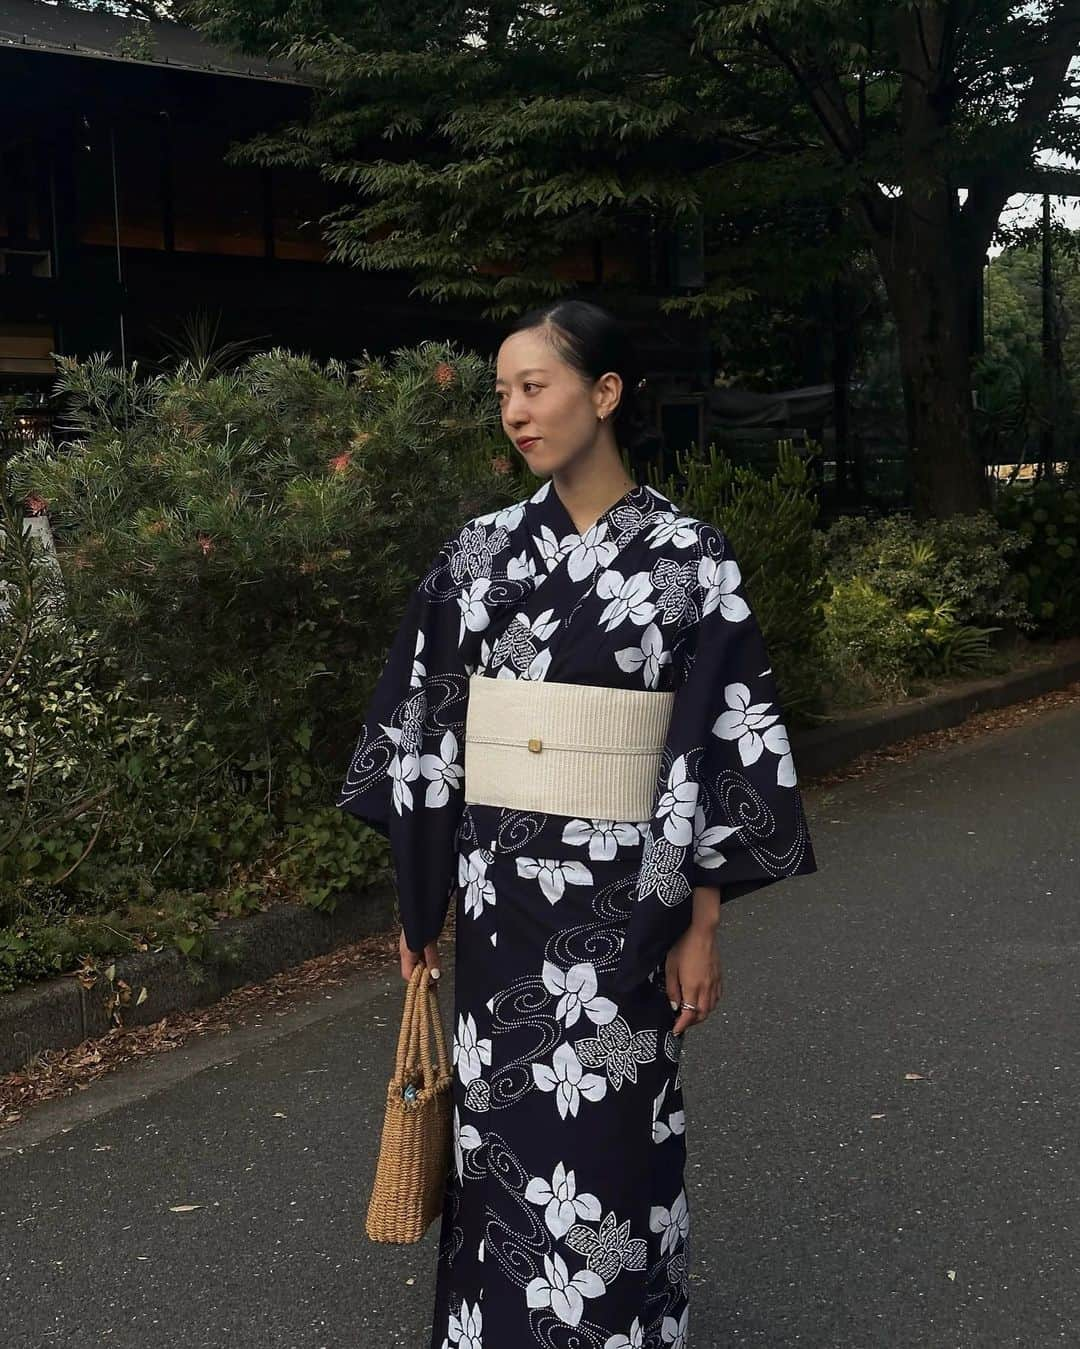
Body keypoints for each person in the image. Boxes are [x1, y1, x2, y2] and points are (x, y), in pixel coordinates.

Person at [337, 298, 818, 1348]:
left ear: (604, 394)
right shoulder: (478, 556)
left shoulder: (691, 557)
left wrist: (701, 921)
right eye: (503, 391)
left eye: (535, 385)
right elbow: (425, 730)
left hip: (626, 906)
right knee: (498, 1136)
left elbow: (714, 745)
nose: (514, 410)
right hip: (499, 899)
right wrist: (421, 900)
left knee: (610, 1142)